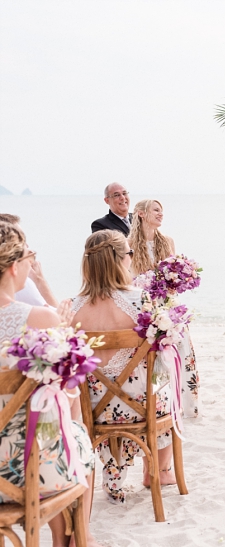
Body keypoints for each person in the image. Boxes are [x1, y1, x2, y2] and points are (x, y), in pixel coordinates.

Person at [0, 221, 98, 547]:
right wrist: (64, 330)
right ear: (14, 266)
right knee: (76, 437)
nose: (32, 261)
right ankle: (70, 541)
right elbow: (67, 392)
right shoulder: (39, 320)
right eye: (30, 255)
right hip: (22, 469)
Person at [71, 229, 177, 503]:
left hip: (92, 410)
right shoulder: (139, 300)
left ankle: (114, 478)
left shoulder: (72, 308)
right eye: (129, 254)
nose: (131, 258)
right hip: (141, 410)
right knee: (166, 386)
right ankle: (160, 470)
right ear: (120, 260)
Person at [128, 199, 199, 419]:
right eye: (156, 210)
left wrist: (179, 277)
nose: (161, 214)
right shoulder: (128, 244)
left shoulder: (167, 241)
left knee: (182, 348)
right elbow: (127, 280)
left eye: (162, 211)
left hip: (168, 305)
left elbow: (174, 277)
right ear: (140, 214)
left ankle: (187, 406)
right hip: (145, 306)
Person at [0, 213, 59, 307]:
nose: (27, 246)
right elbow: (58, 319)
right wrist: (40, 280)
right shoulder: (22, 281)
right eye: (20, 240)